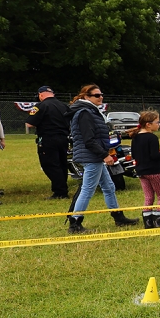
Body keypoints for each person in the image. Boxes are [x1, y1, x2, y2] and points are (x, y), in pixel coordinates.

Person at [65, 85, 139, 233]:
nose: (101, 97)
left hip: (94, 155)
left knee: (109, 187)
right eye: (97, 95)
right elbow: (89, 140)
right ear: (86, 97)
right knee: (87, 190)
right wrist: (104, 155)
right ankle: (75, 223)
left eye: (101, 94)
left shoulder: (92, 111)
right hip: (91, 156)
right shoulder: (85, 113)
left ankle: (118, 217)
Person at [25, 86, 72, 199]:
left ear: (41, 95)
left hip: (48, 138)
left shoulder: (40, 106)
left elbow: (30, 124)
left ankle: (60, 192)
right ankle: (62, 188)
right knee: (62, 164)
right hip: (64, 138)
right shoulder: (64, 106)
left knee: (50, 165)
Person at [128, 110, 160, 228]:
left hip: (141, 172)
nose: (159, 124)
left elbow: (135, 155)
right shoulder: (152, 138)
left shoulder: (135, 137)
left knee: (149, 196)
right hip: (154, 172)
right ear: (148, 124)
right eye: (157, 122)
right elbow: (154, 156)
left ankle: (148, 222)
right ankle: (159, 222)